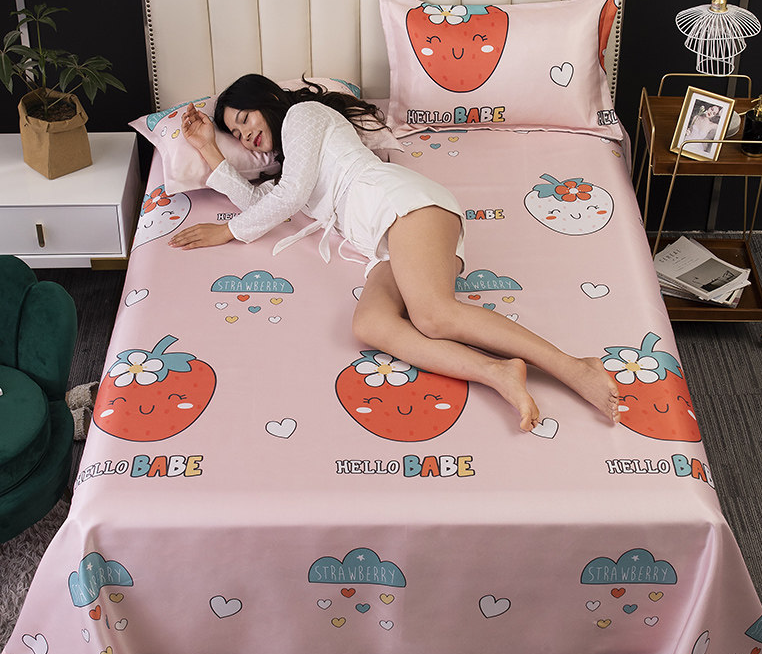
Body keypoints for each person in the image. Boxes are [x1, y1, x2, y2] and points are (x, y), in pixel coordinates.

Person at [169, 74, 619, 431]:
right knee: (371, 325)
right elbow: (262, 204)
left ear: (268, 98)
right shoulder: (289, 169)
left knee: (433, 316)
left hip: (404, 205)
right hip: (383, 240)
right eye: (235, 133)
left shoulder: (303, 116)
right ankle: (497, 372)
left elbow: (286, 199)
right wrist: (207, 147)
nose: (245, 135)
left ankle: (574, 367)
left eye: (245, 119)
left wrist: (228, 231)